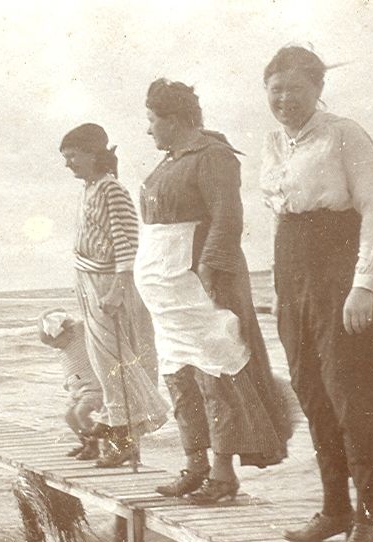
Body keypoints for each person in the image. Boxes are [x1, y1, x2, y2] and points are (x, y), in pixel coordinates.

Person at [260, 46, 373, 542]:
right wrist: (279, 289)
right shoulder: (273, 144)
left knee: (352, 397)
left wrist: (364, 284)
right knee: (311, 392)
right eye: (275, 90)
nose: (284, 99)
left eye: (294, 88)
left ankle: (369, 519)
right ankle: (334, 508)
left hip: (342, 271)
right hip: (295, 277)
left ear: (317, 89)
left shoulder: (344, 134)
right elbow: (280, 219)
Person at [137, 79, 292, 504]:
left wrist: (209, 270)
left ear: (173, 119)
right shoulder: (169, 161)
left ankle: (223, 476)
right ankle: (195, 465)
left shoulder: (214, 155)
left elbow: (227, 218)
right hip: (168, 297)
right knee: (179, 375)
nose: (147, 129)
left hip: (199, 286)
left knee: (215, 374)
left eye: (151, 120)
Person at [58, 123, 168, 467]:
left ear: (93, 155)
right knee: (104, 367)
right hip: (92, 286)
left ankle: (126, 444)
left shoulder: (111, 189)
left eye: (73, 156)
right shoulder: (90, 189)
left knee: (118, 366)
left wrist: (119, 290)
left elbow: (127, 242)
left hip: (110, 287)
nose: (68, 164)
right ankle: (109, 440)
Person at [38, 308, 104, 460]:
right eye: (50, 344)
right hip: (78, 389)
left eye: (54, 341)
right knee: (69, 417)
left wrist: (52, 315)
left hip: (94, 387)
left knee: (80, 413)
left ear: (67, 331)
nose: (54, 346)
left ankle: (94, 446)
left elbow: (87, 321)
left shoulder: (79, 334)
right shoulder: (62, 348)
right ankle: (86, 442)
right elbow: (69, 368)